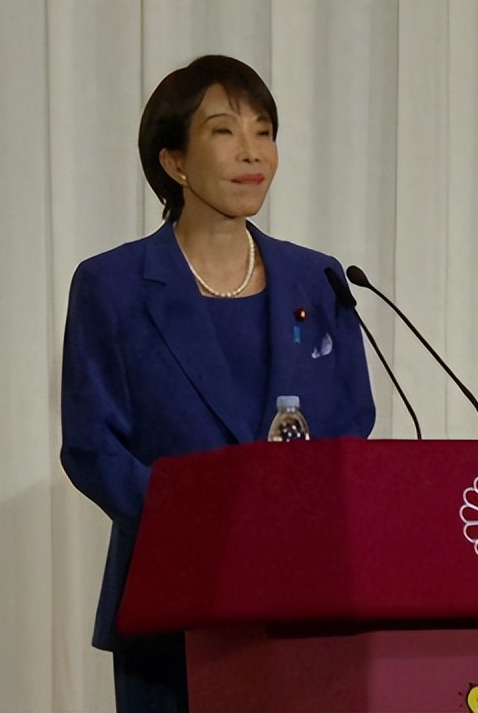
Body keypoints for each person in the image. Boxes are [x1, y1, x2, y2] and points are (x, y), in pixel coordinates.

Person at [59, 55, 376, 712]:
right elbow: (93, 445)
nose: (252, 152)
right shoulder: (112, 285)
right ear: (174, 160)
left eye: (264, 131)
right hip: (173, 600)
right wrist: (201, 525)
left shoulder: (318, 279)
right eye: (225, 131)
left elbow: (352, 420)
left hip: (304, 599)